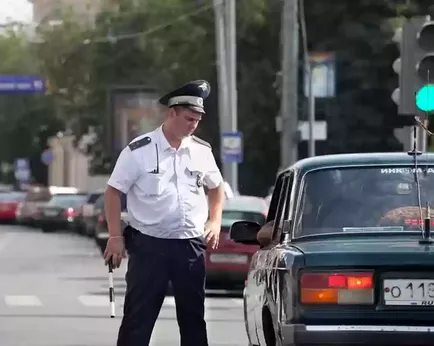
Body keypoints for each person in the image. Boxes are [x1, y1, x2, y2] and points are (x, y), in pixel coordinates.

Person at [103, 80, 225, 346]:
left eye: (197, 120)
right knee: (139, 318)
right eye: (188, 118)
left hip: (190, 244)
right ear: (172, 113)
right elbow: (113, 192)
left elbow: (217, 189)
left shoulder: (201, 151)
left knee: (193, 319)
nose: (193, 125)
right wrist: (115, 237)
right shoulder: (139, 150)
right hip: (149, 245)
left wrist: (214, 221)